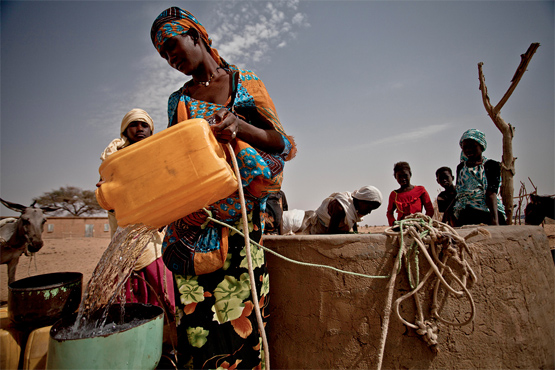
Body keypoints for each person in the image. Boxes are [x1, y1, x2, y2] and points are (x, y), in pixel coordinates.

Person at [150, 7, 295, 369]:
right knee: (197, 327)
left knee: (244, 321)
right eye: (164, 55)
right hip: (195, 227)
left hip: (244, 227)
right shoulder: (178, 101)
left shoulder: (243, 81)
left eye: (173, 45)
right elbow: (174, 160)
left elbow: (284, 145)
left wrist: (239, 127)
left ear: (196, 36)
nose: (171, 58)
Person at [97, 108, 175, 317]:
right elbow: (108, 193)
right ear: (125, 130)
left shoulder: (159, 154)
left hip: (154, 232)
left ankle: (167, 336)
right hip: (125, 233)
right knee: (127, 296)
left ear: (151, 129)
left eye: (144, 125)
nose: (139, 129)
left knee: (161, 285)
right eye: (133, 124)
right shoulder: (114, 157)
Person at [452, 129, 506, 226]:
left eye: (473, 146)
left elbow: (491, 193)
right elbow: (459, 194)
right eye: (465, 147)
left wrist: (494, 221)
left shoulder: (491, 165)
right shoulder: (461, 168)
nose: (468, 150)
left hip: (487, 213)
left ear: (481, 146)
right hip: (466, 214)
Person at [309, 186, 382, 234]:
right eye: (369, 208)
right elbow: (330, 234)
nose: (369, 212)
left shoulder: (355, 206)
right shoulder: (340, 207)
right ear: (362, 200)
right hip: (320, 229)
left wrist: (356, 233)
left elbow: (354, 219)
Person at [386, 162, 434, 226]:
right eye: (399, 176)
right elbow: (389, 213)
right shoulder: (394, 195)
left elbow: (430, 210)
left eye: (405, 176)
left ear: (410, 174)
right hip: (402, 227)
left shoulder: (420, 190)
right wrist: (394, 224)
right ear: (395, 177)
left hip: (419, 226)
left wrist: (423, 223)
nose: (403, 179)